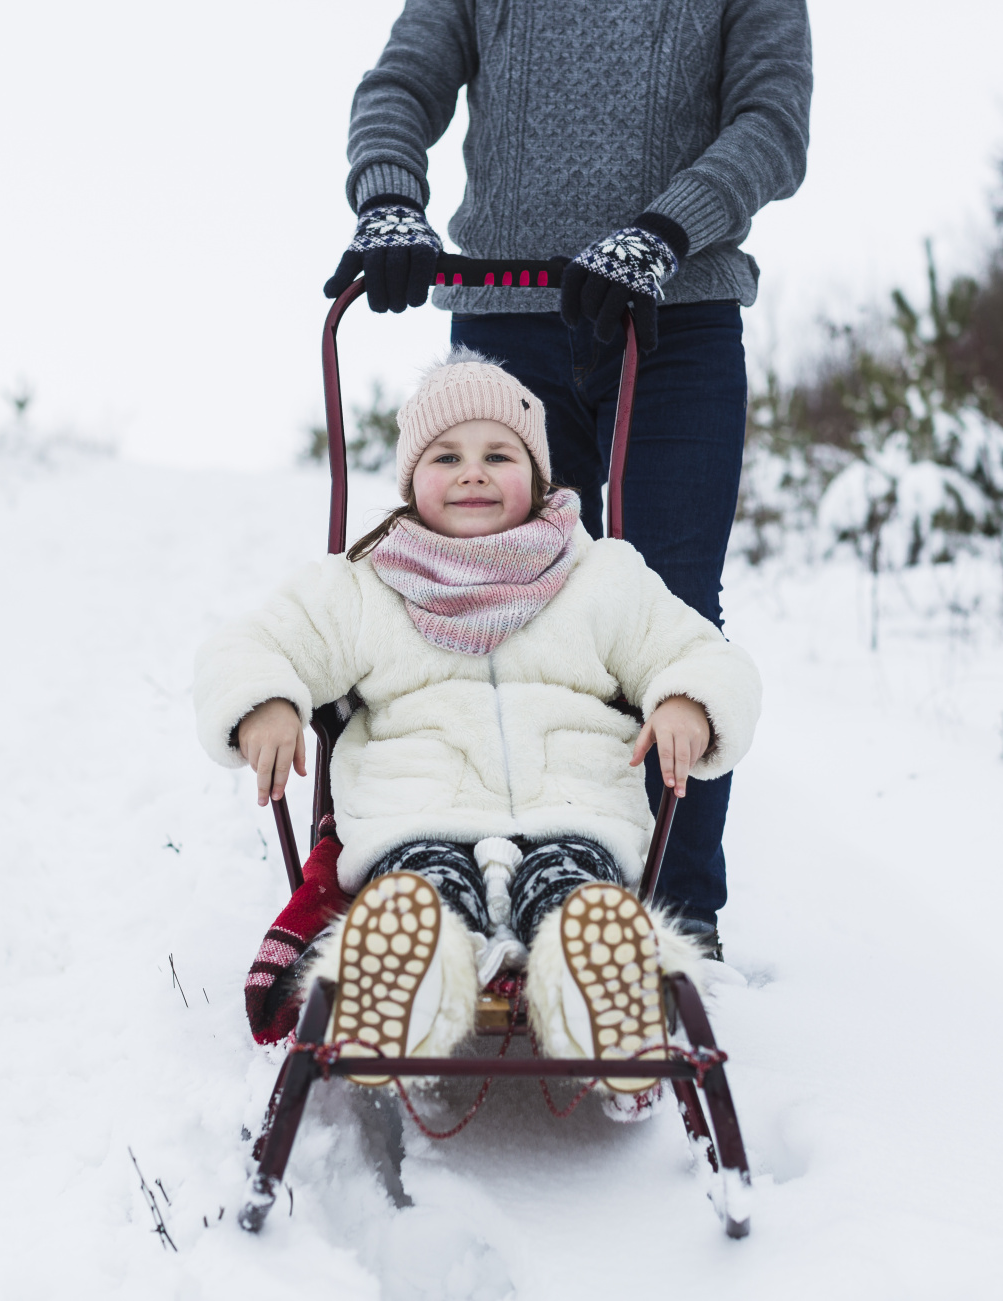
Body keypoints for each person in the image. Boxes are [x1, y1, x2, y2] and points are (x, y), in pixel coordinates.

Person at [324, 0, 812, 948]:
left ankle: (672, 914)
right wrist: (388, 196)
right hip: (512, 318)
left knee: (666, 610)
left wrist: (664, 230)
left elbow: (770, 120)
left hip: (674, 320)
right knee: (492, 608)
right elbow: (401, 85)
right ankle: (488, 878)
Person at [197, 354, 760, 1101]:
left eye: (499, 454)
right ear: (409, 480)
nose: (473, 472)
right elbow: (252, 643)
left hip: (577, 815)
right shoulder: (365, 584)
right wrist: (265, 699)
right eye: (446, 456)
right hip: (414, 815)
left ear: (539, 474)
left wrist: (687, 698)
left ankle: (601, 984)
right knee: (421, 892)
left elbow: (699, 652)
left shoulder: (600, 576)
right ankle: (405, 978)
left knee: (576, 892)